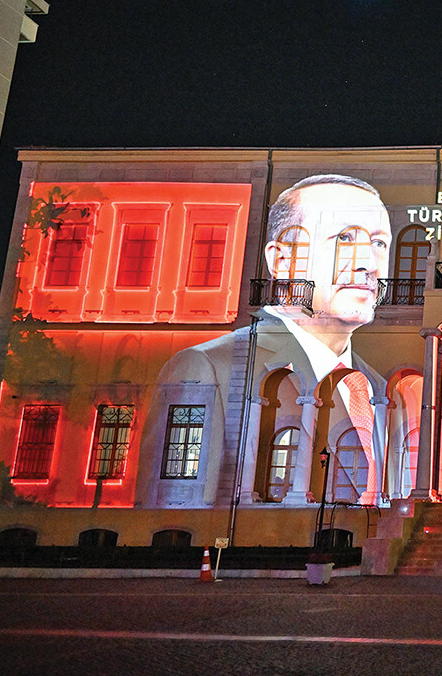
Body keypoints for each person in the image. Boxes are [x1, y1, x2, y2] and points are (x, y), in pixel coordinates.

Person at [137, 174, 398, 510]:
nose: (368, 264)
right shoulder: (208, 364)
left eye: (379, 243)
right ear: (282, 261)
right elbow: (174, 494)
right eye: (345, 238)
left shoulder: (374, 385)